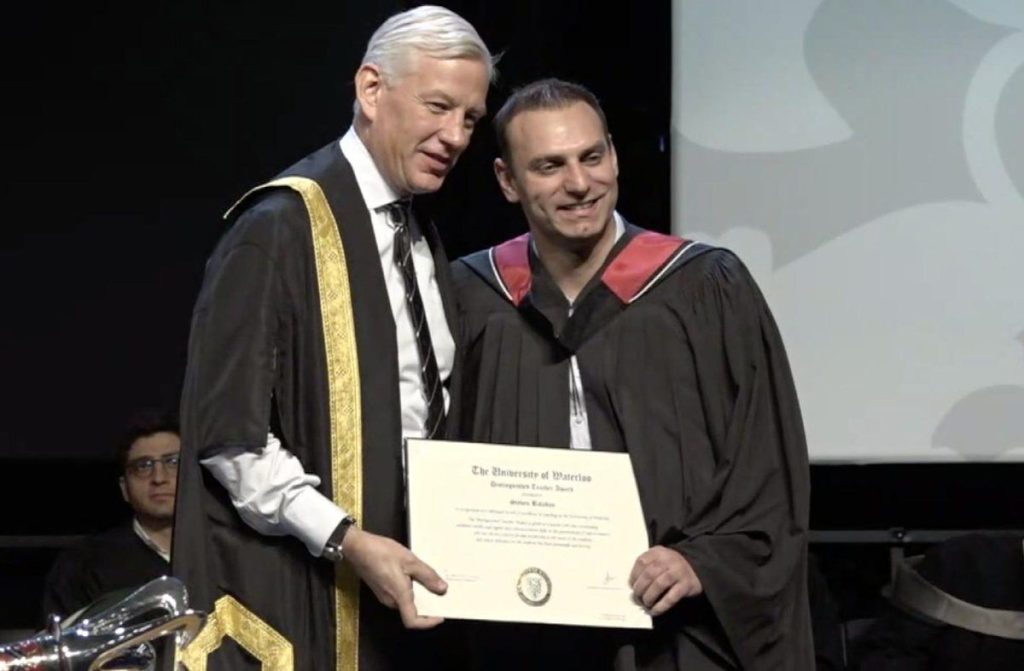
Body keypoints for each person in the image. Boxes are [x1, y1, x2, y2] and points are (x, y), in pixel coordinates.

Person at [170, 6, 494, 671]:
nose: (455, 135)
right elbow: (230, 438)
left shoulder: (421, 237)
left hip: (415, 599)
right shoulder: (278, 227)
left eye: (470, 118)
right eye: (438, 106)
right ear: (372, 89)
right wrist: (347, 539)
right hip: (308, 599)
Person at [450, 78, 814, 669]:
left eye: (592, 157)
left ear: (614, 156)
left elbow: (765, 458)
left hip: (674, 634)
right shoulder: (471, 296)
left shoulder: (703, 287)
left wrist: (702, 561)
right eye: (548, 166)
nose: (578, 183)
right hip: (520, 634)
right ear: (507, 181)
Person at [42, 410, 179, 619]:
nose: (159, 478)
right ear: (124, 488)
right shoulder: (82, 567)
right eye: (143, 466)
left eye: (173, 462)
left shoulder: (226, 555)